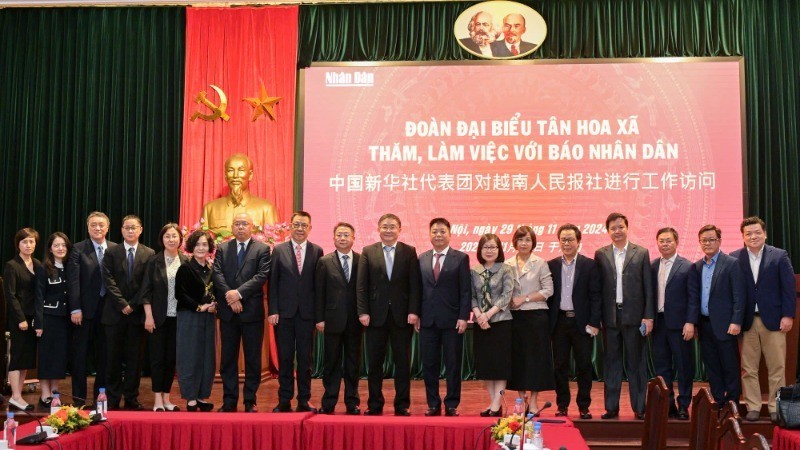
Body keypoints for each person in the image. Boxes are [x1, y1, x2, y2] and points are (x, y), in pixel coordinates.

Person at [731, 217, 796, 422]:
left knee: (777, 366)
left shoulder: (779, 256)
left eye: (757, 232)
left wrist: (788, 315)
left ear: (764, 233)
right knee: (748, 368)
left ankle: (776, 407)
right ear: (742, 237)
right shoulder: (735, 258)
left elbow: (788, 288)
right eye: (748, 233)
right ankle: (753, 406)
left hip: (775, 320)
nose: (753, 236)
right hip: (747, 321)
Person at [356, 213, 421, 416]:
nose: (388, 230)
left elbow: (415, 285)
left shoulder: (409, 251)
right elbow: (361, 285)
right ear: (378, 229)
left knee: (402, 363)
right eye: (385, 226)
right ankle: (374, 404)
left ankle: (402, 405)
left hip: (402, 316)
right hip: (375, 316)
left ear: (399, 229)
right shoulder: (368, 251)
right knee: (375, 364)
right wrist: (363, 311)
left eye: (392, 226)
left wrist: (414, 311)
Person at [594, 212, 654, 420]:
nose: (617, 231)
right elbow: (598, 289)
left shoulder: (641, 253)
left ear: (627, 228)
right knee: (611, 364)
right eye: (613, 228)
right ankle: (611, 407)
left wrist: (648, 316)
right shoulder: (600, 254)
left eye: (621, 227)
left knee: (636, 363)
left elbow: (648, 287)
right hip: (610, 318)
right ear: (608, 231)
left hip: (635, 317)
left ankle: (639, 407)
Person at [212, 212, 271, 412]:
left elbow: (261, 276)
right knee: (228, 359)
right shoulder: (222, 248)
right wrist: (230, 297)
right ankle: (229, 401)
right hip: (229, 313)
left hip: (251, 312)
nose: (240, 227)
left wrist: (238, 294)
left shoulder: (262, 249)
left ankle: (249, 401)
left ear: (252, 226)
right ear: (232, 226)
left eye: (244, 223)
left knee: (253, 358)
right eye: (237, 223)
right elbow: (217, 274)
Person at [268, 211, 324, 413]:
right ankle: (284, 399)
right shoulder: (279, 250)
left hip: (307, 315)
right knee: (284, 358)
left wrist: (319, 317)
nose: (300, 228)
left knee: (305, 359)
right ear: (290, 226)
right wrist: (273, 310)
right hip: (284, 314)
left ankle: (304, 399)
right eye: (296, 224)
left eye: (304, 225)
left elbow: (319, 287)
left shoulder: (317, 251)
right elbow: (272, 282)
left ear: (310, 228)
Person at [547, 224, 601, 420]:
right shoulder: (551, 265)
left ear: (579, 242)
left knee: (584, 366)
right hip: (559, 322)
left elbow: (596, 296)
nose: (567, 243)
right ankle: (562, 405)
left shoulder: (589, 265)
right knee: (559, 366)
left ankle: (584, 406)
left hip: (582, 323)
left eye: (570, 239)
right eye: (563, 239)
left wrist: (595, 322)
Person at [418, 218, 471, 417]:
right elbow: (418, 290)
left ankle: (451, 403)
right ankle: (433, 403)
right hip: (427, 321)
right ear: (429, 234)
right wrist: (416, 315)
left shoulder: (461, 258)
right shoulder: (422, 258)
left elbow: (465, 290)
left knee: (453, 364)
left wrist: (464, 316)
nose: (438, 235)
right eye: (434, 231)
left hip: (452, 321)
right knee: (429, 365)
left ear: (449, 234)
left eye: (442, 231)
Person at [101, 215, 154, 410]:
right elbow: (108, 280)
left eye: (134, 228)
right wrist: (122, 303)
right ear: (121, 230)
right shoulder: (111, 252)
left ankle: (131, 397)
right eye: (127, 228)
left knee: (135, 360)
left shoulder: (149, 253)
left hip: (137, 314)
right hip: (114, 314)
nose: (130, 231)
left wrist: (132, 304)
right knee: (112, 358)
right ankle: (113, 398)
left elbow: (147, 283)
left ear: (140, 230)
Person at [67, 211, 117, 406]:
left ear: (107, 227)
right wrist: (75, 308)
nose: (98, 228)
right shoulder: (78, 249)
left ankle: (100, 399)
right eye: (94, 225)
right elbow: (73, 282)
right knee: (79, 357)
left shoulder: (115, 249)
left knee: (105, 357)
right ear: (88, 228)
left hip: (109, 311)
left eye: (101, 225)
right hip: (84, 312)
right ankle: (79, 399)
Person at [694, 224, 745, 405]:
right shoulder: (697, 266)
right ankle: (718, 402)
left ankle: (732, 403)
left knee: (730, 366)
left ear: (719, 241)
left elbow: (739, 295)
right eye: (704, 240)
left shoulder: (731, 263)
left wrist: (736, 321)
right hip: (704, 325)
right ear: (699, 243)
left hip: (726, 325)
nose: (708, 243)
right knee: (712, 366)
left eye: (711, 239)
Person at [505, 226, 554, 415]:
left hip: (536, 317)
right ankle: (520, 399)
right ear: (515, 242)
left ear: (533, 243)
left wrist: (524, 298)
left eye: (527, 240)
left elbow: (548, 290)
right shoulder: (507, 263)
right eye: (520, 239)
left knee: (535, 361)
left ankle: (533, 401)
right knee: (518, 360)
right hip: (514, 318)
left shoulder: (540, 263)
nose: (524, 243)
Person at [650, 227, 698, 420]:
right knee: (662, 367)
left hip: (680, 325)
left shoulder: (687, 266)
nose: (665, 244)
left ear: (676, 242)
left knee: (684, 366)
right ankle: (667, 404)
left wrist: (690, 322)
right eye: (661, 240)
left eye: (668, 240)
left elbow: (693, 298)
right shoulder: (652, 266)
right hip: (659, 324)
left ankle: (684, 405)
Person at [315, 223, 362, 415]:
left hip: (355, 320)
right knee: (331, 362)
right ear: (334, 238)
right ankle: (329, 402)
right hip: (332, 319)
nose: (343, 238)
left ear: (353, 238)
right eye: (339, 235)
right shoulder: (325, 261)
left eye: (346, 235)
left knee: (353, 363)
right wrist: (319, 318)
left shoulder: (362, 260)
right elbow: (319, 293)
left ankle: (353, 402)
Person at [141, 223, 188, 412]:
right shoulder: (154, 261)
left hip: (179, 319)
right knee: (157, 359)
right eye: (167, 236)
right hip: (158, 318)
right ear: (162, 239)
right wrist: (148, 316)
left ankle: (167, 399)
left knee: (171, 360)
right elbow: (146, 291)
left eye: (174, 236)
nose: (171, 239)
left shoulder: (185, 261)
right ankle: (157, 400)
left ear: (180, 240)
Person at [471, 233, 515, 417]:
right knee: (486, 367)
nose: (489, 250)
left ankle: (496, 405)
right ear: (480, 250)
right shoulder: (474, 270)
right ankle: (493, 403)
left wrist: (488, 314)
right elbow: (471, 295)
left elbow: (507, 295)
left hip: (501, 322)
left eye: (493, 247)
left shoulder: (506, 269)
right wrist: (479, 315)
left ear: (499, 250)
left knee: (500, 366)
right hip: (481, 324)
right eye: (486, 247)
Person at [175, 230, 217, 412]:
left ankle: (201, 396)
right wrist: (199, 307)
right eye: (198, 244)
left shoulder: (211, 268)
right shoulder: (185, 268)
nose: (201, 248)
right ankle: (191, 398)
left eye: (205, 245)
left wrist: (215, 305)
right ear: (192, 247)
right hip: (189, 317)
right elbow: (180, 295)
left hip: (208, 318)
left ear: (210, 248)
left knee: (206, 357)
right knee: (190, 357)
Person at [4, 228, 41, 410]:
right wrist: (20, 318)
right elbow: (10, 295)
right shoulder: (12, 265)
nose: (28, 245)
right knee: (17, 356)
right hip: (19, 318)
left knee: (26, 358)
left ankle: (18, 396)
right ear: (18, 244)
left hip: (33, 317)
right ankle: (15, 396)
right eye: (25, 242)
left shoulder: (37, 264)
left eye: (32, 241)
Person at [34, 232, 72, 408]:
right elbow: (39, 296)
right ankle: (44, 394)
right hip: (48, 319)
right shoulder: (43, 268)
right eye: (56, 245)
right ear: (50, 248)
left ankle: (55, 392)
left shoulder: (70, 267)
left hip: (64, 320)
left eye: (63, 245)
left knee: (59, 357)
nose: (60, 248)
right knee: (46, 356)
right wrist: (39, 323)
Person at [201, 153, 279, 233]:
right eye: (230, 170)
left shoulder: (266, 209)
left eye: (241, 170)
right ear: (225, 175)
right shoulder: (210, 209)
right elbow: (203, 242)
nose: (235, 175)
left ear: (250, 175)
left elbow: (273, 242)